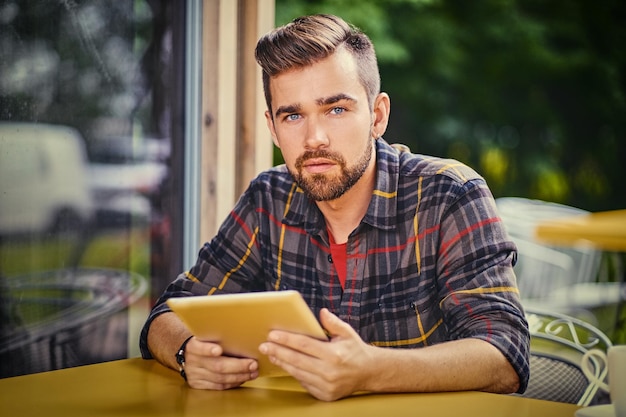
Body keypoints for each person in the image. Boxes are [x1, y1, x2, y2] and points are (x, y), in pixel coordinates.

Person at [140, 13, 529, 402]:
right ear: (273, 129)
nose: (315, 138)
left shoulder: (449, 195)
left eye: (336, 109)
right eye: (292, 115)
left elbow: (505, 357)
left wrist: (370, 370)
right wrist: (187, 352)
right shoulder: (268, 199)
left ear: (377, 115)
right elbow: (167, 315)